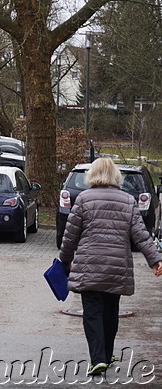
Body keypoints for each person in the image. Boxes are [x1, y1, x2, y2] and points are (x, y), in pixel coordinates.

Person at [59, 157, 162, 378]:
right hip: (117, 268)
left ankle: (98, 360)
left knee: (92, 314)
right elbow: (141, 235)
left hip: (89, 267)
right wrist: (155, 260)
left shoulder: (84, 199)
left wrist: (64, 260)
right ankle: (106, 355)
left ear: (92, 175)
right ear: (115, 176)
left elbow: (70, 236)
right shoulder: (127, 200)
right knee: (111, 312)